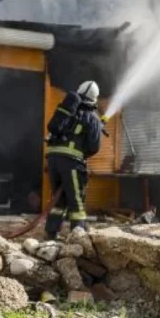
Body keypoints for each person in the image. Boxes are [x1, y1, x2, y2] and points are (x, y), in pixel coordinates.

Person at [44, 80, 103, 240]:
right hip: (71, 163)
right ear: (94, 99)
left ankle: (51, 233)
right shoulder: (92, 117)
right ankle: (79, 235)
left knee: (58, 199)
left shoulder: (68, 111)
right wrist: (81, 155)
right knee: (76, 201)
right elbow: (94, 146)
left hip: (53, 159)